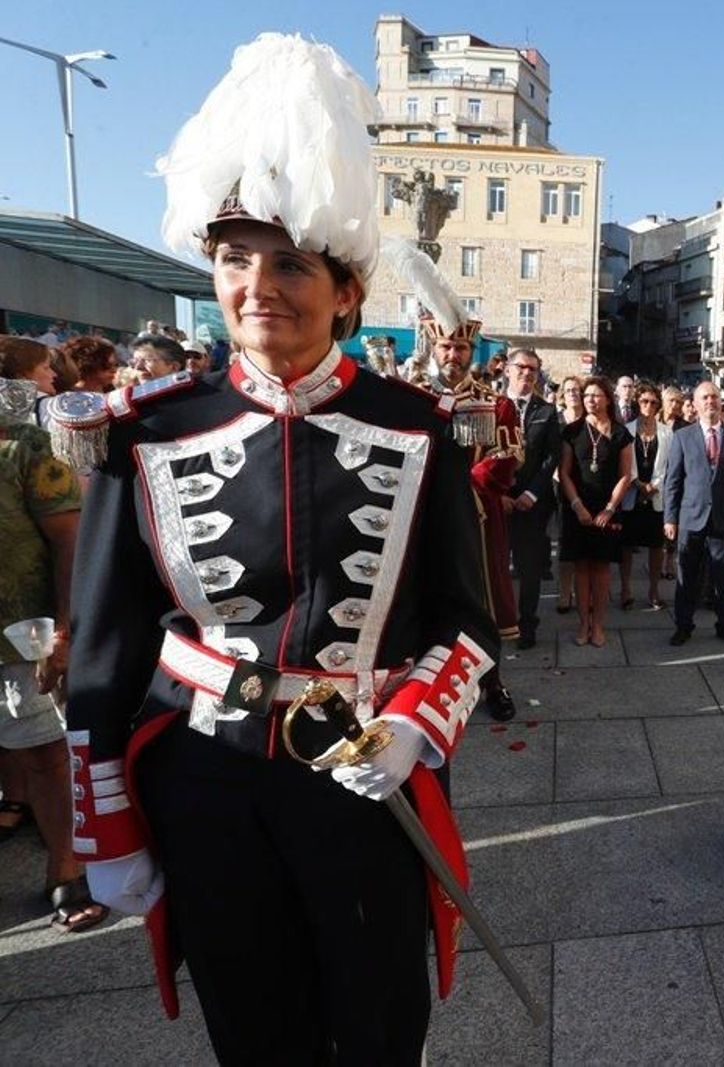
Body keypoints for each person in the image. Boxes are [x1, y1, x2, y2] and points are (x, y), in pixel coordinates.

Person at [49, 34, 497, 1060]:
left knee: (380, 1023)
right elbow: (109, 646)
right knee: (253, 1030)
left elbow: (467, 625)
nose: (260, 285)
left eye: (291, 261)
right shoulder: (148, 429)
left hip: (360, 767)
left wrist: (416, 728)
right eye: (235, 258)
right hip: (203, 782)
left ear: (345, 290)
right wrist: (106, 824)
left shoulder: (415, 425)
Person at [0, 355, 106, 933]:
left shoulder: (26, 448)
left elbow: (72, 546)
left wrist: (65, 632)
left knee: (43, 754)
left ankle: (65, 867)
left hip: (18, 637)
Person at [419, 289, 522, 722]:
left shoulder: (498, 404)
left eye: (460, 346)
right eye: (446, 345)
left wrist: (465, 486)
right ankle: (426, 687)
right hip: (422, 520)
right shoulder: (411, 398)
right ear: (433, 347)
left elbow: (509, 459)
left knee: (483, 603)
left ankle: (492, 682)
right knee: (426, 601)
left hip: (478, 521)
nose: (453, 354)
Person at [664, 379, 724, 647]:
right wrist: (670, 517)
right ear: (696, 404)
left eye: (714, 397)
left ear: (720, 403)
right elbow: (673, 480)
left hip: (723, 519)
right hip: (690, 518)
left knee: (723, 577)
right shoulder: (682, 437)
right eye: (705, 398)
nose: (710, 402)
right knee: (686, 576)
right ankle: (683, 626)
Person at [558, 376, 634, 648]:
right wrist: (577, 505)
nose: (589, 399)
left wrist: (609, 509)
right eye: (586, 395)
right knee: (581, 568)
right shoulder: (572, 431)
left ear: (608, 399)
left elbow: (625, 476)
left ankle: (598, 626)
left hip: (607, 510)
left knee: (601, 569)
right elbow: (564, 473)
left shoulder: (621, 433)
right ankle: (582, 625)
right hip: (577, 508)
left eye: (595, 395)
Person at [504, 347, 562, 650]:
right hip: (496, 502)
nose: (527, 374)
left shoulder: (547, 411)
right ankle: (497, 623)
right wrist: (498, 494)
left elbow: (551, 457)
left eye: (532, 370)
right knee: (495, 568)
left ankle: (527, 624)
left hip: (531, 504)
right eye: (521, 367)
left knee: (529, 570)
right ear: (507, 370)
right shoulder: (492, 405)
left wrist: (531, 493)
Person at [620, 382, 668, 611]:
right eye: (644, 401)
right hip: (632, 494)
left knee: (656, 546)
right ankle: (626, 588)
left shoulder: (667, 432)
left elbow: (669, 465)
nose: (648, 406)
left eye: (653, 402)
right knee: (627, 545)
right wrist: (638, 484)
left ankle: (653, 588)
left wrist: (654, 485)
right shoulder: (626, 430)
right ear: (637, 402)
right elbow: (622, 464)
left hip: (656, 496)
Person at [553, 375, 585, 615]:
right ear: (563, 394)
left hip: (588, 485)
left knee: (585, 540)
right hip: (560, 484)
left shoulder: (591, 419)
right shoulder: (556, 420)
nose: (573, 393)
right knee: (565, 540)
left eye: (577, 389)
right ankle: (565, 592)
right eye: (569, 390)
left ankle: (584, 590)